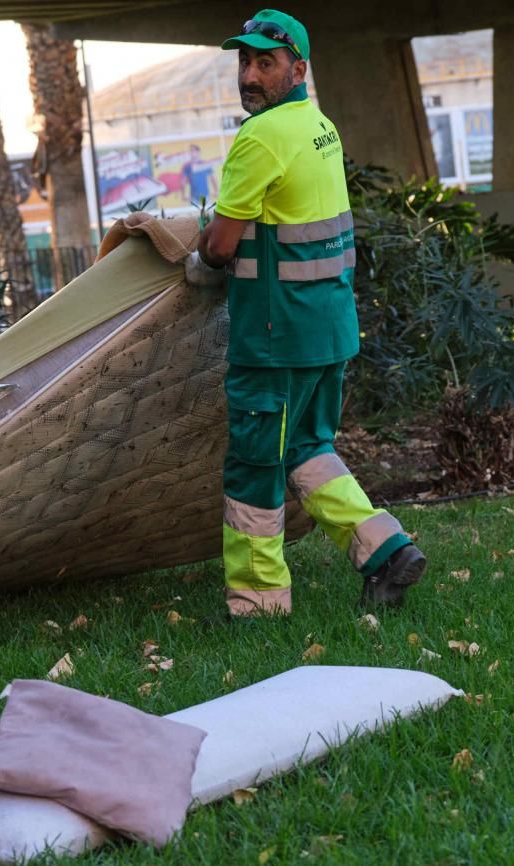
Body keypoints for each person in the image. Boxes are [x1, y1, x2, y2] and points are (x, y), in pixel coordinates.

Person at [184, 9, 427, 619]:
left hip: (274, 338)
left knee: (255, 465)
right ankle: (385, 549)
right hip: (329, 329)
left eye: (265, 62)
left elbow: (218, 246)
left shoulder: (260, 137)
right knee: (309, 449)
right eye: (244, 60)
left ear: (298, 68)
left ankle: (259, 600)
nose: (250, 74)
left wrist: (200, 261)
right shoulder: (320, 127)